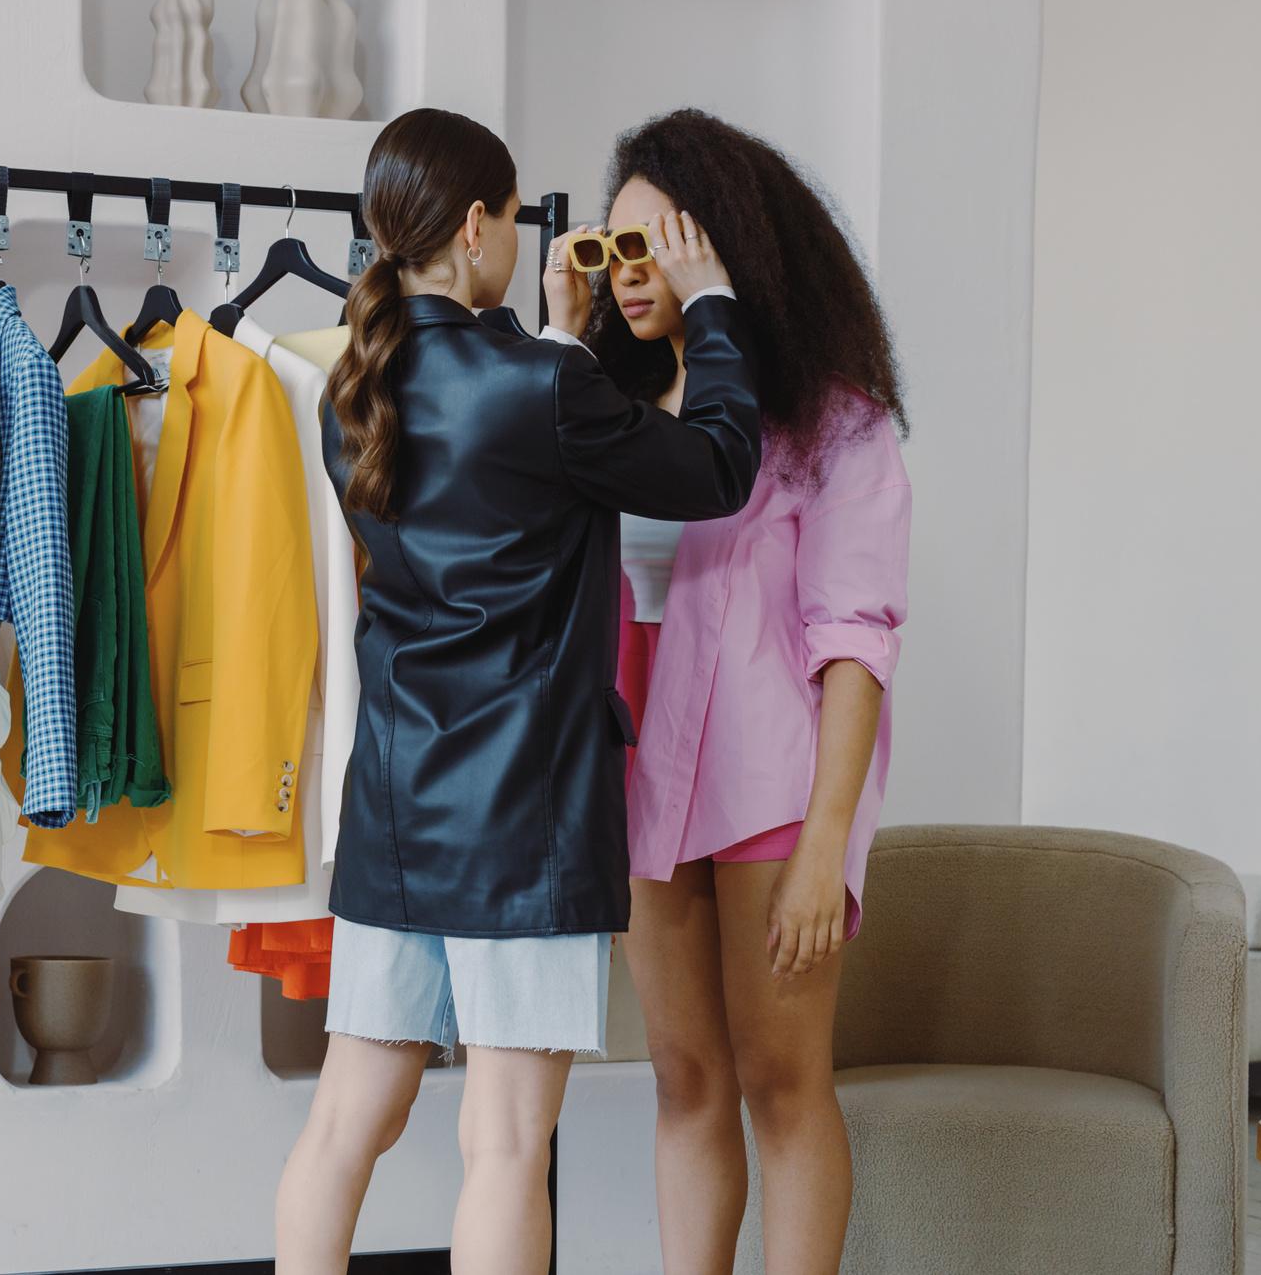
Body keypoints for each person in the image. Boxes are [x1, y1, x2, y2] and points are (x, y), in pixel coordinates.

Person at [273, 106, 763, 1275]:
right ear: (478, 226)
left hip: (397, 803)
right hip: (526, 815)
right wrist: (711, 307)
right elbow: (718, 467)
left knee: (344, 1125)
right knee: (502, 1142)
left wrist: (558, 341)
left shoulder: (355, 385)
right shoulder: (540, 386)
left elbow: (488, 478)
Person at [572, 109, 912, 1275]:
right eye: (609, 249)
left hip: (771, 787)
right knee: (683, 1076)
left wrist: (827, 846)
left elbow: (855, 645)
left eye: (649, 245)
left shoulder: (836, 426)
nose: (627, 275)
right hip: (643, 784)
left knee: (780, 1078)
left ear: (721, 248)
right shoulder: (607, 415)